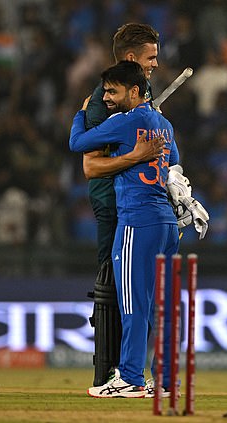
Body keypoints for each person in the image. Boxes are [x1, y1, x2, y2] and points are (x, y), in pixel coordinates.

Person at [70, 61, 182, 398]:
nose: (106, 97)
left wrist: (81, 112)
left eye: (113, 91)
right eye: (104, 91)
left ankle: (131, 378)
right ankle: (164, 381)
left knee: (133, 304)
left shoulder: (124, 121)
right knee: (160, 306)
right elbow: (173, 159)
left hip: (137, 219)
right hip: (166, 222)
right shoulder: (163, 123)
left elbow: (78, 143)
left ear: (135, 92)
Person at [80, 23, 165, 388]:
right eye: (151, 58)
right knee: (115, 291)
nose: (156, 65)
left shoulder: (139, 101)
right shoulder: (104, 100)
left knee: (138, 294)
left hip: (140, 207)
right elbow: (90, 163)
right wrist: (135, 155)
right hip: (116, 207)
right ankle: (114, 371)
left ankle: (133, 375)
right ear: (132, 59)